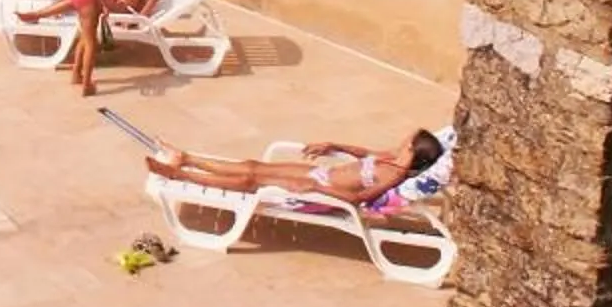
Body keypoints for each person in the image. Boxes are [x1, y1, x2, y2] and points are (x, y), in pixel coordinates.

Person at [137, 129, 447, 207]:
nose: (403, 138)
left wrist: (318, 189)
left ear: (412, 150)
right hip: (318, 176)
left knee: (249, 181)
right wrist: (334, 146)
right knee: (252, 167)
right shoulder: (392, 157)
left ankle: (177, 174)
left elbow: (358, 199)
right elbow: (365, 152)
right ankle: (186, 158)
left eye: (408, 139)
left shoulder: (393, 175)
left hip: (319, 189)